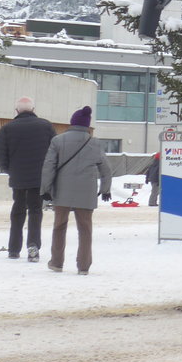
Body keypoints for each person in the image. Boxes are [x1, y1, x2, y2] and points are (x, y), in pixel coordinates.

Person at [40, 106, 113, 275]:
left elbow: (48, 166)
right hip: (86, 191)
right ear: (87, 125)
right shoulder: (95, 143)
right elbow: (106, 169)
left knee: (59, 226)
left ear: (72, 123)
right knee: (85, 229)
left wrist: (46, 189)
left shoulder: (57, 141)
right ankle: (84, 266)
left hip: (62, 189)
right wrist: (105, 189)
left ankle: (57, 262)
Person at [0, 97, 56, 262]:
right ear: (33, 110)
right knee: (35, 210)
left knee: (17, 210)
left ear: (16, 111)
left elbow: (1, 154)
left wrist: (11, 171)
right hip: (38, 177)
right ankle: (33, 246)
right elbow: (53, 151)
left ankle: (14, 249)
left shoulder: (7, 128)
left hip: (18, 176)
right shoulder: (46, 126)